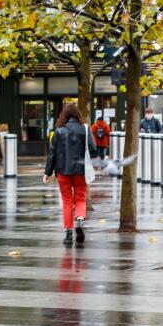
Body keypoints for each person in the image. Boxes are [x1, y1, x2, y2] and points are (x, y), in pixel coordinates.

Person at [43, 103, 97, 246]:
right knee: (80, 198)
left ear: (65, 115)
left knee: (67, 201)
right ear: (78, 114)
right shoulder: (85, 129)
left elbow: (52, 154)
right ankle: (79, 219)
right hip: (81, 171)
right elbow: (93, 149)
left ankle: (68, 234)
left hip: (63, 171)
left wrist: (47, 172)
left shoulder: (59, 131)